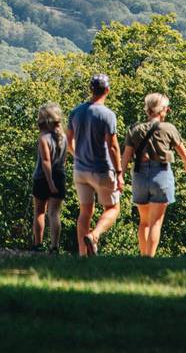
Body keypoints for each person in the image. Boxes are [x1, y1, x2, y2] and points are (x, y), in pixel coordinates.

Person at [119, 92, 186, 257]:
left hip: (139, 176)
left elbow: (125, 156)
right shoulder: (168, 128)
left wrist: (120, 176)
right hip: (160, 174)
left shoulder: (134, 129)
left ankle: (142, 257)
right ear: (163, 111)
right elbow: (184, 154)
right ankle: (150, 259)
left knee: (144, 222)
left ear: (147, 110)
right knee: (156, 223)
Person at [66, 73, 123, 256]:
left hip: (80, 170)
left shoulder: (75, 112)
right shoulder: (108, 115)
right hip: (102, 169)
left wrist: (78, 155)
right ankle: (95, 235)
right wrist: (120, 172)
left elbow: (68, 143)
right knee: (113, 208)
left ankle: (83, 256)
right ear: (107, 90)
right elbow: (112, 146)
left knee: (85, 212)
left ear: (90, 90)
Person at [31, 101, 67, 252]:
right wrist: (55, 182)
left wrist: (50, 182)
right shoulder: (63, 137)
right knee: (54, 213)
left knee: (39, 211)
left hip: (42, 178)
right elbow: (63, 160)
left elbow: (46, 162)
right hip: (60, 176)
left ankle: (38, 244)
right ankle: (54, 246)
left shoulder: (43, 138)